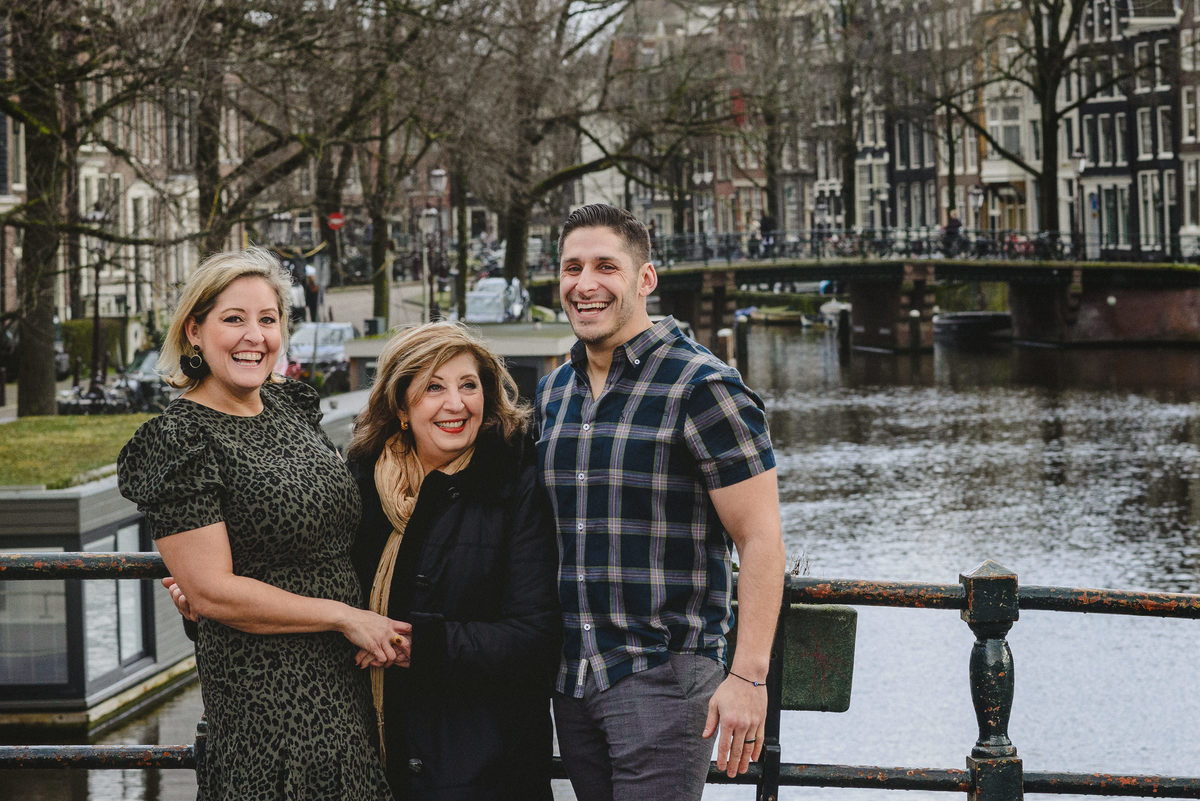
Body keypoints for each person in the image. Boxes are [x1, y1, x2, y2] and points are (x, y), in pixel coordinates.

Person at [117, 246, 400, 801]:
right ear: (194, 331)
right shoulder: (181, 440)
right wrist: (344, 616)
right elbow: (211, 591)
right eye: (233, 319)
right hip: (268, 695)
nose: (254, 335)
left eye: (267, 320)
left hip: (347, 676)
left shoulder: (290, 408)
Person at [536, 203, 787, 801]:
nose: (585, 284)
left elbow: (760, 537)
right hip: (571, 679)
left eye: (605, 267)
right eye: (572, 268)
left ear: (645, 279)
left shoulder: (702, 388)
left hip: (662, 676)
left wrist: (749, 676)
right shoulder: (553, 394)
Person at [344, 321, 560, 800]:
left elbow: (536, 636)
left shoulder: (516, 482)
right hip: (368, 761)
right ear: (400, 405)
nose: (457, 404)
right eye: (433, 388)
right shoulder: (357, 485)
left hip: (486, 765)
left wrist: (419, 646)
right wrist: (210, 605)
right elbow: (315, 592)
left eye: (469, 385)